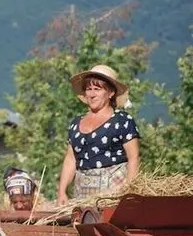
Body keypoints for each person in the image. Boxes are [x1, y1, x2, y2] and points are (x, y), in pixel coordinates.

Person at [57, 65, 140, 205]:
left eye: (97, 89)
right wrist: (62, 192)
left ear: (111, 93)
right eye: (89, 89)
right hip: (82, 194)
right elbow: (71, 159)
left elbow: (134, 158)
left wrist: (129, 191)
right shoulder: (75, 124)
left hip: (114, 193)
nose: (92, 94)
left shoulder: (122, 121)